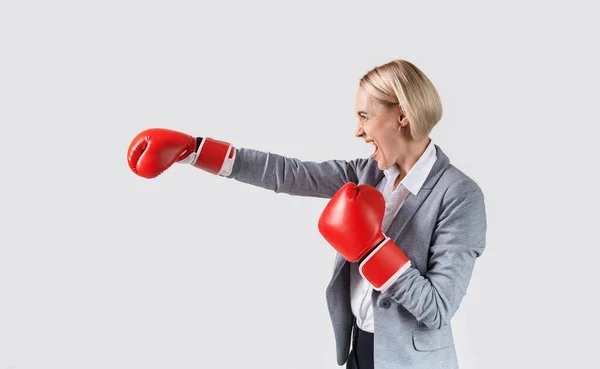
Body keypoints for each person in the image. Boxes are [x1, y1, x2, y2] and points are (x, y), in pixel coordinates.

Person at [126, 59, 487, 369]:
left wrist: (374, 249)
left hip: (412, 362)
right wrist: (194, 150)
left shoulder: (459, 195)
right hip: (360, 348)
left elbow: (439, 308)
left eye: (365, 116)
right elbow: (288, 173)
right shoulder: (368, 173)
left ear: (402, 116)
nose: (358, 130)